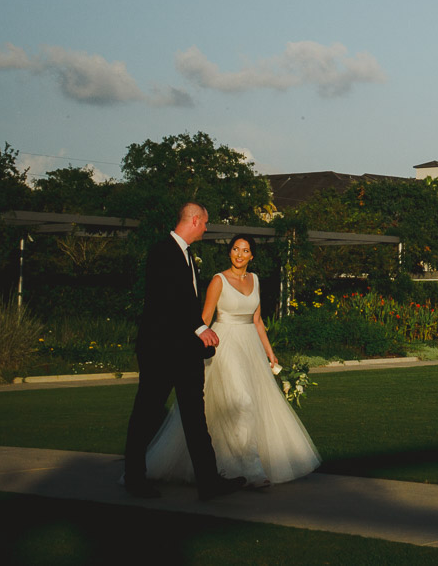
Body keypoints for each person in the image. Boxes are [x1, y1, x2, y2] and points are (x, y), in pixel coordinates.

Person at [145, 234, 321, 487]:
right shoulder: (219, 280)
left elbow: (257, 320)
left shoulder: (256, 280)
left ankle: (223, 465)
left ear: (252, 255)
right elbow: (204, 317)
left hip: (250, 346)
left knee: (248, 405)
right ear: (230, 253)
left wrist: (270, 352)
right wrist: (189, 345)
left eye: (245, 250)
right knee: (242, 402)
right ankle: (252, 471)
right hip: (224, 344)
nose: (240, 254)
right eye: (236, 249)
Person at [123, 203, 245, 500]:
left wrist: (196, 332)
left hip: (184, 352)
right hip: (160, 351)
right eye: (205, 223)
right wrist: (201, 328)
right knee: (146, 413)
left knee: (195, 417)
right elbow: (169, 299)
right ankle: (135, 479)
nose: (206, 228)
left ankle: (209, 483)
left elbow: (186, 299)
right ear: (194, 220)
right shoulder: (163, 252)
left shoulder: (187, 255)